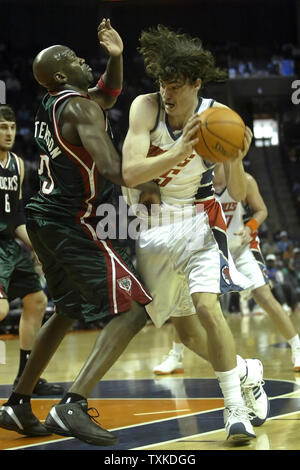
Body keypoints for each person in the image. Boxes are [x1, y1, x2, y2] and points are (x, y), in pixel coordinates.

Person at [0, 19, 157, 447]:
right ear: (61, 75)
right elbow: (110, 167)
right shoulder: (80, 108)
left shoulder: (55, 103)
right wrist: (156, 178)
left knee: (66, 307)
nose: (83, 59)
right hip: (70, 222)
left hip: (45, 218)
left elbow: (107, 94)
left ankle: (17, 402)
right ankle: (71, 405)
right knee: (136, 308)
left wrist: (117, 57)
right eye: (73, 58)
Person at [122, 24, 268, 442]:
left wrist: (236, 157)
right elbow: (130, 172)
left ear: (196, 83)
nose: (168, 93)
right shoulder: (144, 109)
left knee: (208, 306)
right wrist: (179, 149)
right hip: (153, 227)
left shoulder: (215, 117)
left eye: (177, 85)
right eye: (163, 84)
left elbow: (235, 194)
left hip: (200, 219)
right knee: (184, 334)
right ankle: (245, 370)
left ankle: (234, 410)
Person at [154, 166, 300, 374]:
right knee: (187, 300)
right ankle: (176, 356)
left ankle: (297, 347)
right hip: (210, 250)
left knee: (264, 296)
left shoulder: (244, 181)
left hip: (240, 248)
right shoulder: (195, 182)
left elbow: (262, 210)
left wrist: (250, 227)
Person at [0, 103, 63, 396]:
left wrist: (38, 246)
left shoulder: (19, 167)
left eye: (11, 127)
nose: (9, 132)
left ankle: (26, 378)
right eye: (2, 127)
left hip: (8, 246)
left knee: (36, 300)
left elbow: (16, 219)